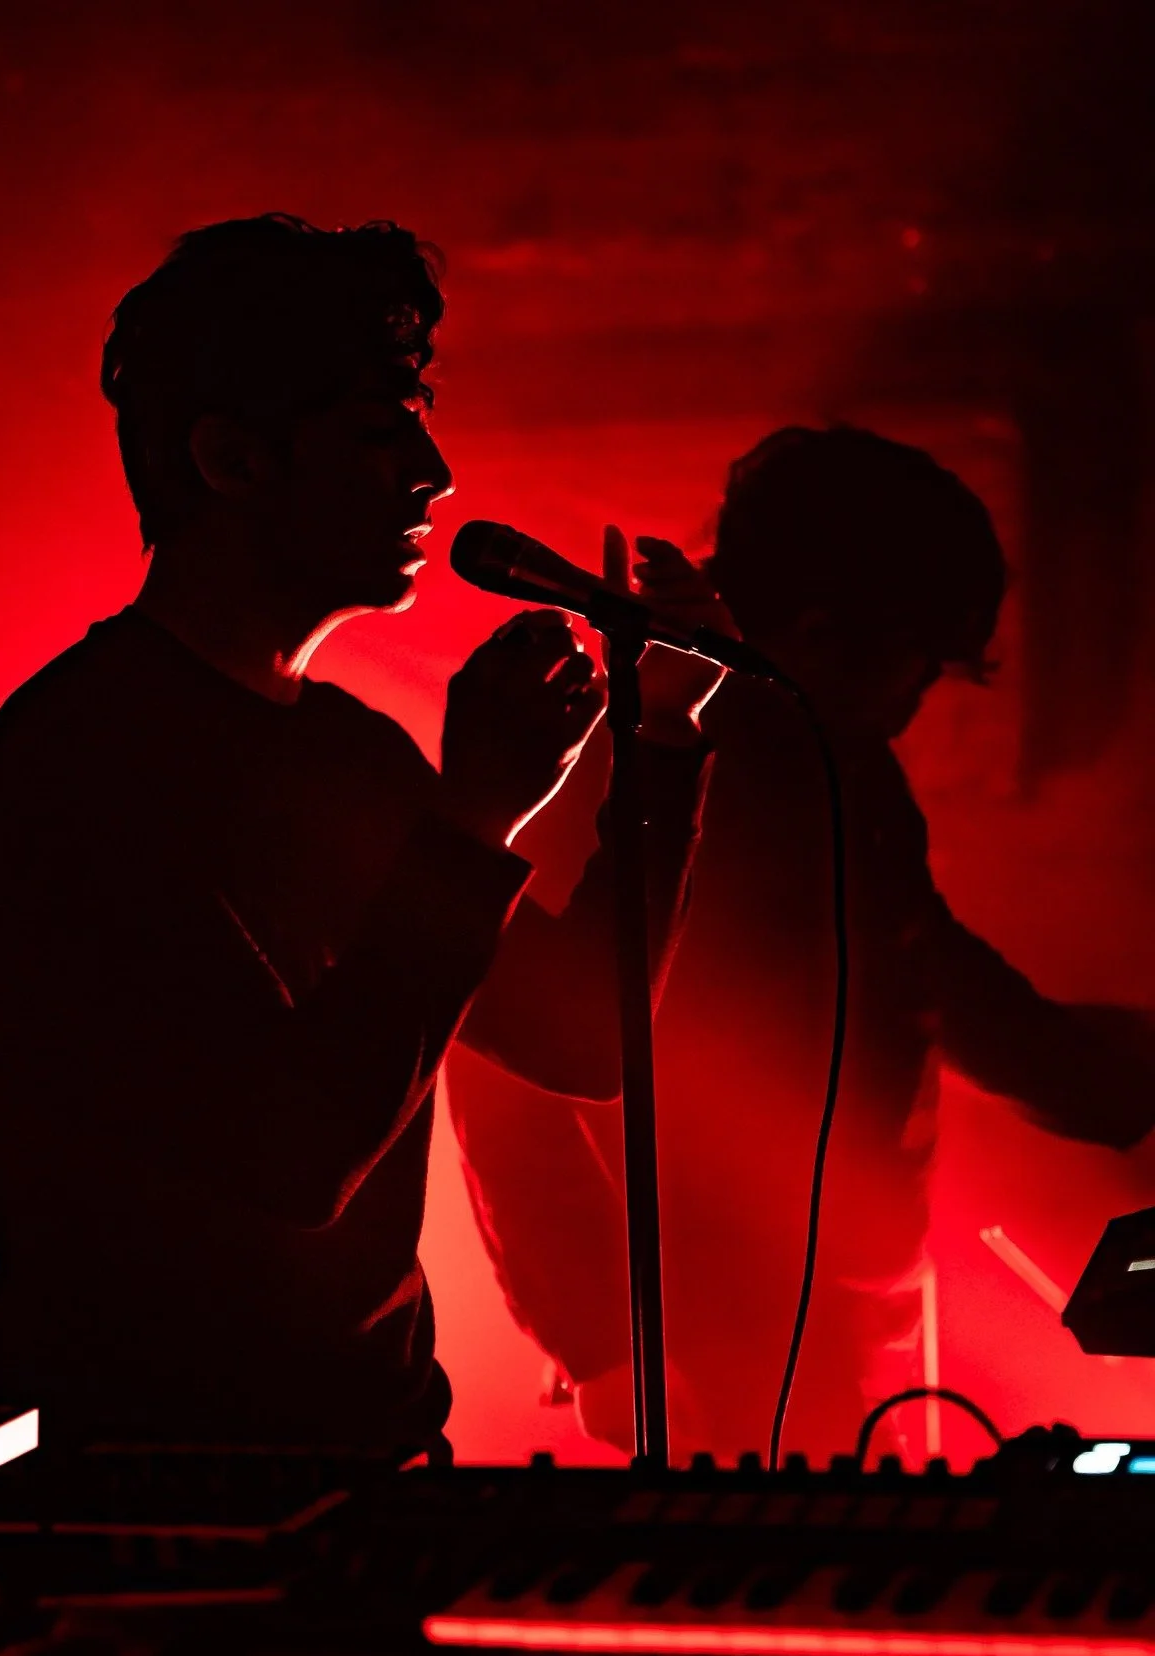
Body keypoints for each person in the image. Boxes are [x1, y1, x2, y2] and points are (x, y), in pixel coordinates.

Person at [0, 214, 727, 1453]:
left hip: (376, 1450)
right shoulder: (82, 760)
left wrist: (668, 741)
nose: (433, 471)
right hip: (165, 1491)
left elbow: (584, 1035)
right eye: (380, 429)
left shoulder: (352, 754)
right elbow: (287, 1155)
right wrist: (473, 817)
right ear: (231, 459)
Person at [447, 424, 1155, 1464]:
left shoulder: (846, 772)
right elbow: (500, 1065)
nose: (918, 706)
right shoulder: (639, 766)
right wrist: (601, 1346)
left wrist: (1114, 1083)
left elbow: (931, 975)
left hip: (830, 1324)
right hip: (696, 1351)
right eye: (921, 670)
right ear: (823, 633)